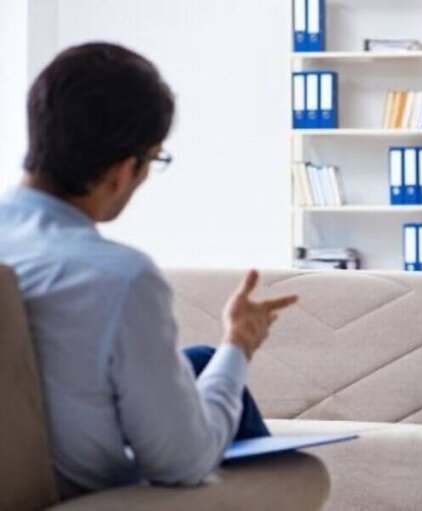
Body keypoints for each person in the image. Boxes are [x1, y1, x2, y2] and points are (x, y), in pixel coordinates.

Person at [0, 42, 297, 497]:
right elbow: (184, 461)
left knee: (198, 361)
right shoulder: (118, 278)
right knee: (288, 461)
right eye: (154, 160)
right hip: (96, 497)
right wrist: (239, 344)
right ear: (123, 171)